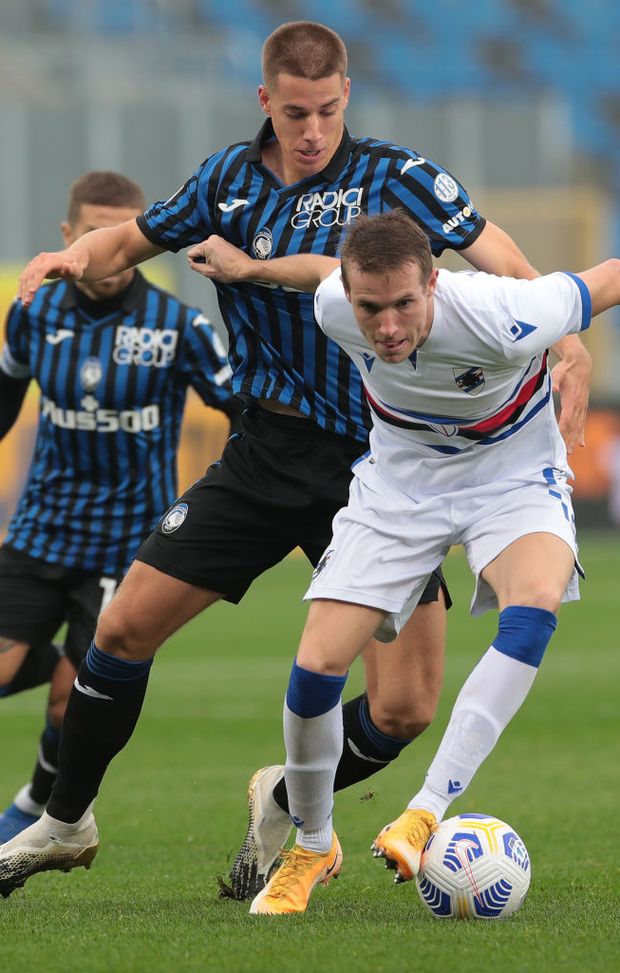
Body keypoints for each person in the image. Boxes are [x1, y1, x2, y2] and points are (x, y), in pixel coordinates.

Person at [0, 22, 590, 902]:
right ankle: (66, 818)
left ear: (345, 96)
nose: (311, 131)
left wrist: (567, 335)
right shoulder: (223, 181)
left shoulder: (396, 175)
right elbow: (125, 243)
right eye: (295, 113)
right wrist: (69, 255)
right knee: (123, 628)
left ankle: (286, 791)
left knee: (403, 707)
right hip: (264, 449)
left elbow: (496, 254)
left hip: (383, 463)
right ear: (265, 102)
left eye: (326, 111)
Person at [181, 211, 612, 915]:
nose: (386, 325)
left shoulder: (509, 311)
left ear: (435, 284)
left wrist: (575, 353)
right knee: (318, 663)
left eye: (405, 303)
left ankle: (427, 807)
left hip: (511, 476)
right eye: (370, 306)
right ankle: (313, 844)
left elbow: (610, 277)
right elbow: (318, 272)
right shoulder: (334, 303)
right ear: (350, 296)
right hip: (399, 488)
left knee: (533, 601)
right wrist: (252, 268)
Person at [0, 171, 241, 842]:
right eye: (94, 233)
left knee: (69, 703)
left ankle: (33, 809)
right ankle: (48, 659)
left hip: (126, 548)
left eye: (122, 236)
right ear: (69, 236)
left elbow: (241, 415)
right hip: (38, 530)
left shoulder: (179, 326)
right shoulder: (33, 310)